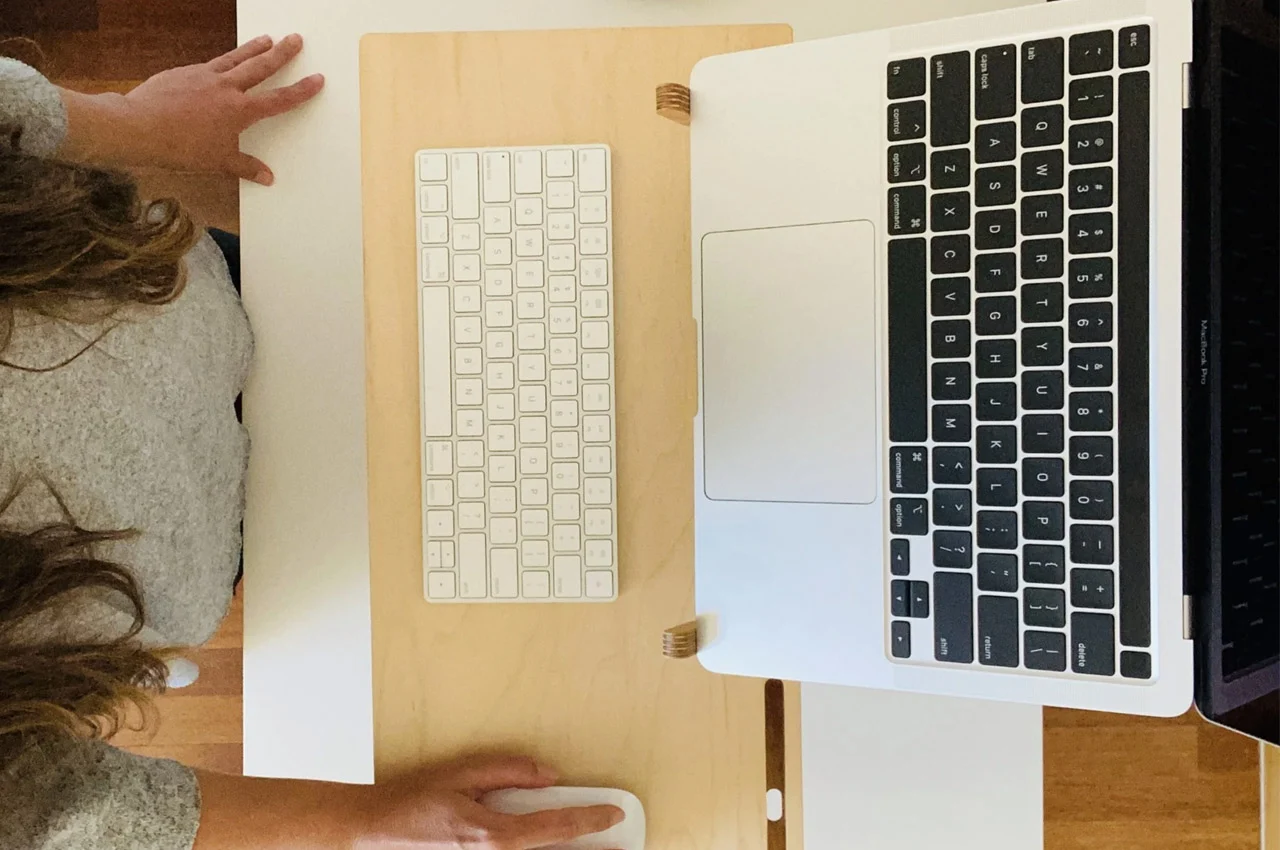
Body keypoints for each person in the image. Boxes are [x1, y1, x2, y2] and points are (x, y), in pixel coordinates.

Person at [0, 35, 623, 850]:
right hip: (220, 540)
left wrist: (125, 120)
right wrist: (360, 823)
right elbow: (39, 809)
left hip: (176, 293)